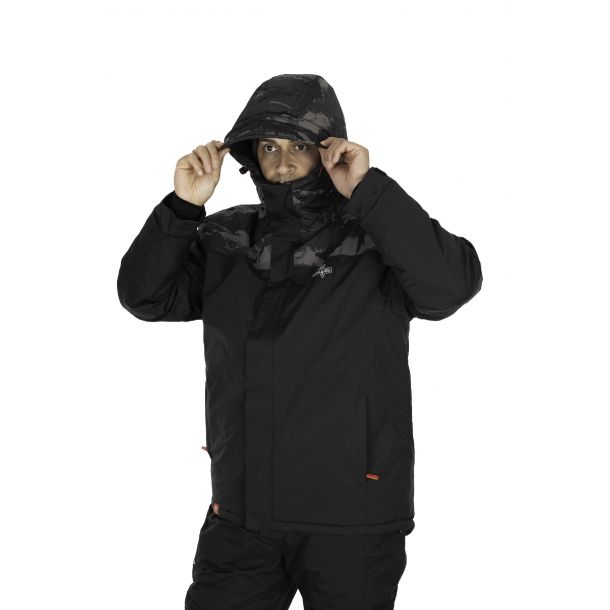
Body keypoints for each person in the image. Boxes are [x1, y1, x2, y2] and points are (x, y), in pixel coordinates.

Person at [117, 73, 483, 609]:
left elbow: (449, 288)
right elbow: (144, 297)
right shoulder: (227, 240)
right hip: (242, 516)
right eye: (269, 147)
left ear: (327, 150)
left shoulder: (374, 238)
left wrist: (368, 190)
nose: (283, 163)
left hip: (351, 521)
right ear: (251, 156)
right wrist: (181, 209)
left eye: (299, 146)